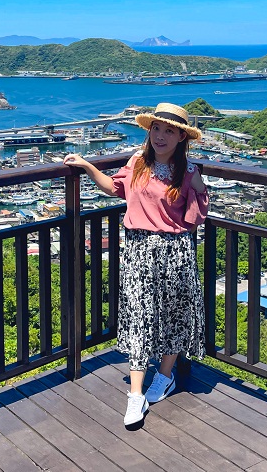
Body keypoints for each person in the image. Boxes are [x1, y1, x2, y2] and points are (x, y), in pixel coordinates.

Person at [64, 102, 208, 426]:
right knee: (140, 319)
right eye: (156, 128)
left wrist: (199, 187)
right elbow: (115, 187)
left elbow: (195, 217)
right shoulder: (136, 163)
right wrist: (86, 165)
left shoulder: (186, 172)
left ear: (182, 137)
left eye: (169, 131)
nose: (160, 136)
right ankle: (135, 395)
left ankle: (165, 376)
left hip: (175, 252)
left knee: (174, 316)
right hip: (139, 252)